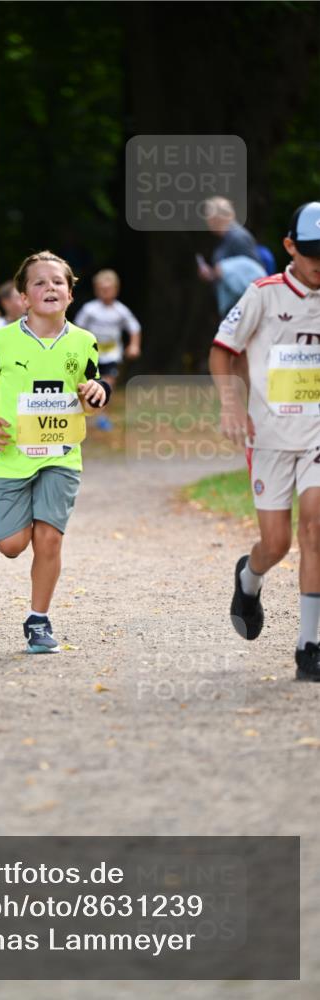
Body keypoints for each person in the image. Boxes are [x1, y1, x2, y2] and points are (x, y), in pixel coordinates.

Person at [0, 251, 111, 653]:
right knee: (12, 545)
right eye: (39, 282)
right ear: (23, 297)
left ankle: (39, 620)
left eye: (58, 282)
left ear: (70, 294)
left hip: (61, 455)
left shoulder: (84, 342)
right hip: (11, 454)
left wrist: (98, 393)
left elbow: (92, 388)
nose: (50, 287)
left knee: (48, 539)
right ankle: (25, 516)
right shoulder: (2, 340)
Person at [209, 201, 320, 682]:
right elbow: (222, 350)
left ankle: (309, 644)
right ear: (290, 247)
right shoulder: (262, 294)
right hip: (271, 435)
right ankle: (248, 579)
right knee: (275, 543)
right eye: (313, 252)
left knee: (316, 528)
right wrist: (232, 406)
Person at [73, 269, 141, 431]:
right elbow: (76, 329)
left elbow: (134, 328)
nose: (105, 292)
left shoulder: (120, 310)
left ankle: (102, 417)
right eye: (101, 289)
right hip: (91, 354)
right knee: (88, 385)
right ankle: (83, 412)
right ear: (96, 289)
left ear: (116, 289)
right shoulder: (90, 309)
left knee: (106, 384)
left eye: (109, 289)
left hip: (111, 354)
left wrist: (134, 345)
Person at [197, 196, 266, 316]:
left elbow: (255, 273)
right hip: (234, 308)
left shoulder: (238, 238)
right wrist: (212, 274)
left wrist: (223, 270)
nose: (207, 221)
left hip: (243, 309)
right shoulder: (225, 239)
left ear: (216, 217)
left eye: (208, 215)